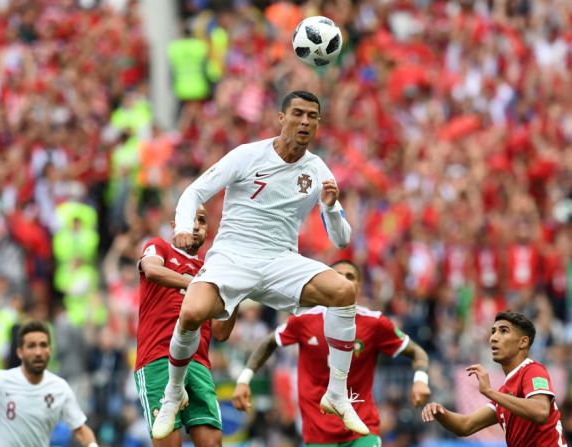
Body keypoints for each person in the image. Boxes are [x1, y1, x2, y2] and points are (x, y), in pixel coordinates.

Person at [152, 90, 368, 439]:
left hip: (281, 260)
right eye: (297, 113)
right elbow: (193, 192)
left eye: (312, 116)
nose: (305, 122)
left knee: (343, 291)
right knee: (192, 312)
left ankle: (337, 393)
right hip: (233, 256)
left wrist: (329, 206)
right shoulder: (247, 155)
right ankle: (174, 393)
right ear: (281, 118)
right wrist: (180, 228)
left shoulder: (317, 171)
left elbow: (341, 240)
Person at [232, 259, 431, 446]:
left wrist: (420, 379)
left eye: (350, 277)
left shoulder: (374, 323)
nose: (344, 280)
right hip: (318, 431)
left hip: (362, 428)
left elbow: (417, 352)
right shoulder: (304, 320)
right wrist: (244, 379)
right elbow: (270, 342)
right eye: (337, 275)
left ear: (359, 287)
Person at [135, 205, 237, 446]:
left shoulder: (211, 269)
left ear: (207, 230)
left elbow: (221, 332)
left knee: (213, 443)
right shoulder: (160, 246)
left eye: (201, 221)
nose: (195, 225)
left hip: (198, 362)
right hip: (158, 357)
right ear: (174, 225)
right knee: (168, 442)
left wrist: (236, 294)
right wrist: (195, 284)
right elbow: (150, 270)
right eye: (190, 219)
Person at [422, 310, 567, 446]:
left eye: (503, 331)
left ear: (523, 342)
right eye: (493, 331)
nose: (493, 337)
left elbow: (540, 412)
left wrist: (490, 392)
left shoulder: (532, 370)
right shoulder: (505, 392)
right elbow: (466, 425)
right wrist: (441, 413)